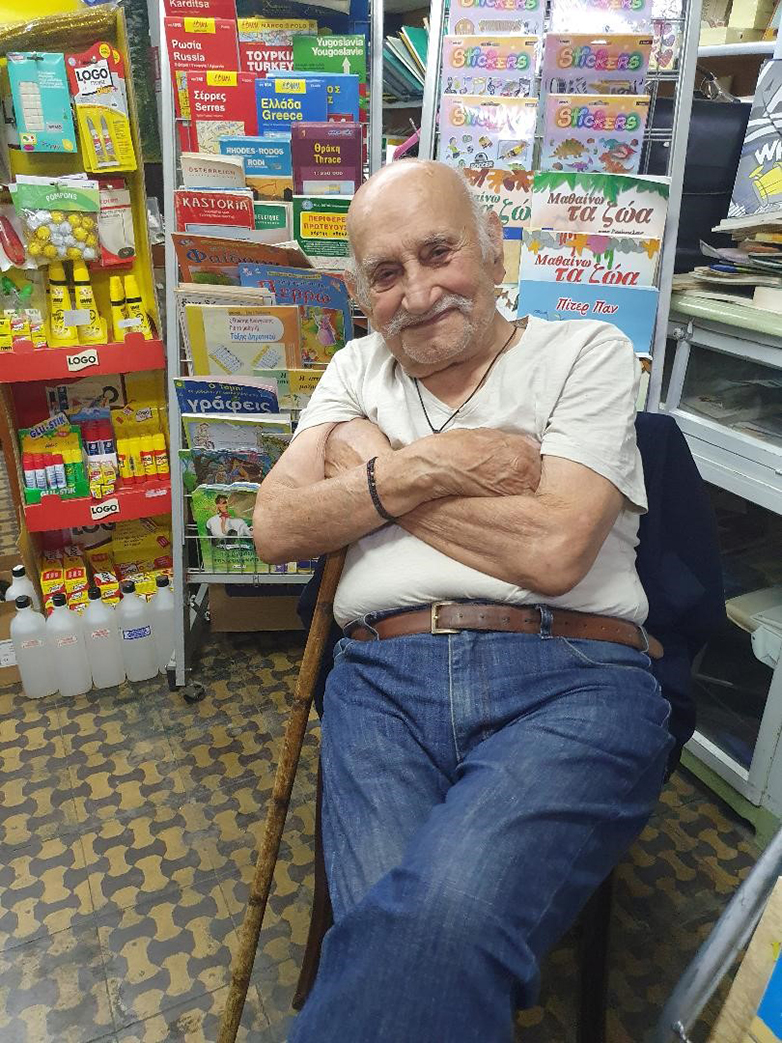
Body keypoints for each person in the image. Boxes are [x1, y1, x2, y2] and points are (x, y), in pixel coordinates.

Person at [253, 159, 673, 1042]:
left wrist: (369, 472)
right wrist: (435, 465)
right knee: (418, 939)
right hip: (382, 685)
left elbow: (554, 551)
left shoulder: (584, 351)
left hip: (574, 676)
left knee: (433, 921)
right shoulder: (355, 367)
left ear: (493, 251)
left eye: (438, 253)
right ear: (362, 293)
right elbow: (276, 526)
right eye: (385, 272)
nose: (417, 292)